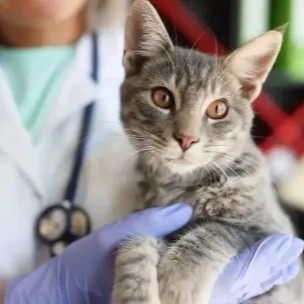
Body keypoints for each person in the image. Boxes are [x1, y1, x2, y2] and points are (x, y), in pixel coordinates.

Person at [0, 0, 302, 303]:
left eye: (217, 109)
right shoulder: (146, 71)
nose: (187, 136)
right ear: (137, 58)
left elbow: (267, 245)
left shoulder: (243, 171)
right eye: (163, 98)